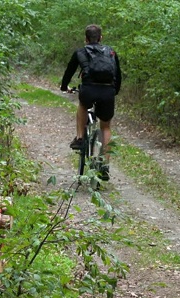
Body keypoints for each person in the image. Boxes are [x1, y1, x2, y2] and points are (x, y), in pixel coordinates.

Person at [60, 24, 121, 181]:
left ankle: (80, 137)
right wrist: (115, 91)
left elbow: (69, 71)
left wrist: (64, 86)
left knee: (82, 105)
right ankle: (105, 165)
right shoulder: (111, 52)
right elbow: (118, 75)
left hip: (89, 90)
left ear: (86, 39)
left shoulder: (81, 52)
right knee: (105, 126)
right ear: (101, 38)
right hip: (108, 91)